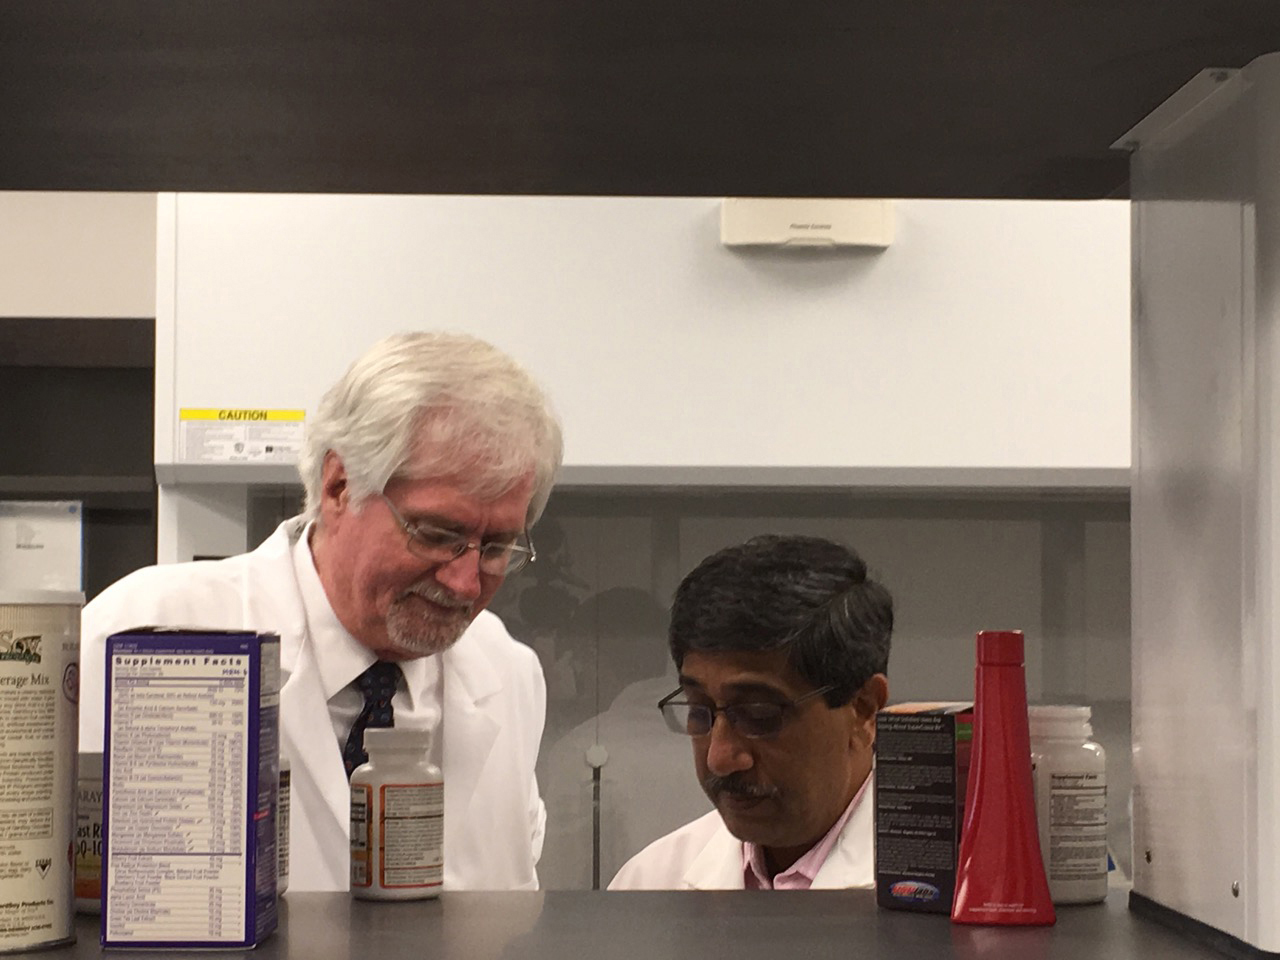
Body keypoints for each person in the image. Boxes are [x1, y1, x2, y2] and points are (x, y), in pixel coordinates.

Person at [79, 331, 563, 892]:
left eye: (498, 547)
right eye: (436, 534)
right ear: (339, 487)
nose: (466, 579)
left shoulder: (506, 670)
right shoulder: (141, 635)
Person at [608, 534, 891, 890]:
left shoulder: (957, 893)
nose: (719, 758)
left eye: (759, 715)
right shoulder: (649, 884)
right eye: (699, 711)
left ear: (863, 710)